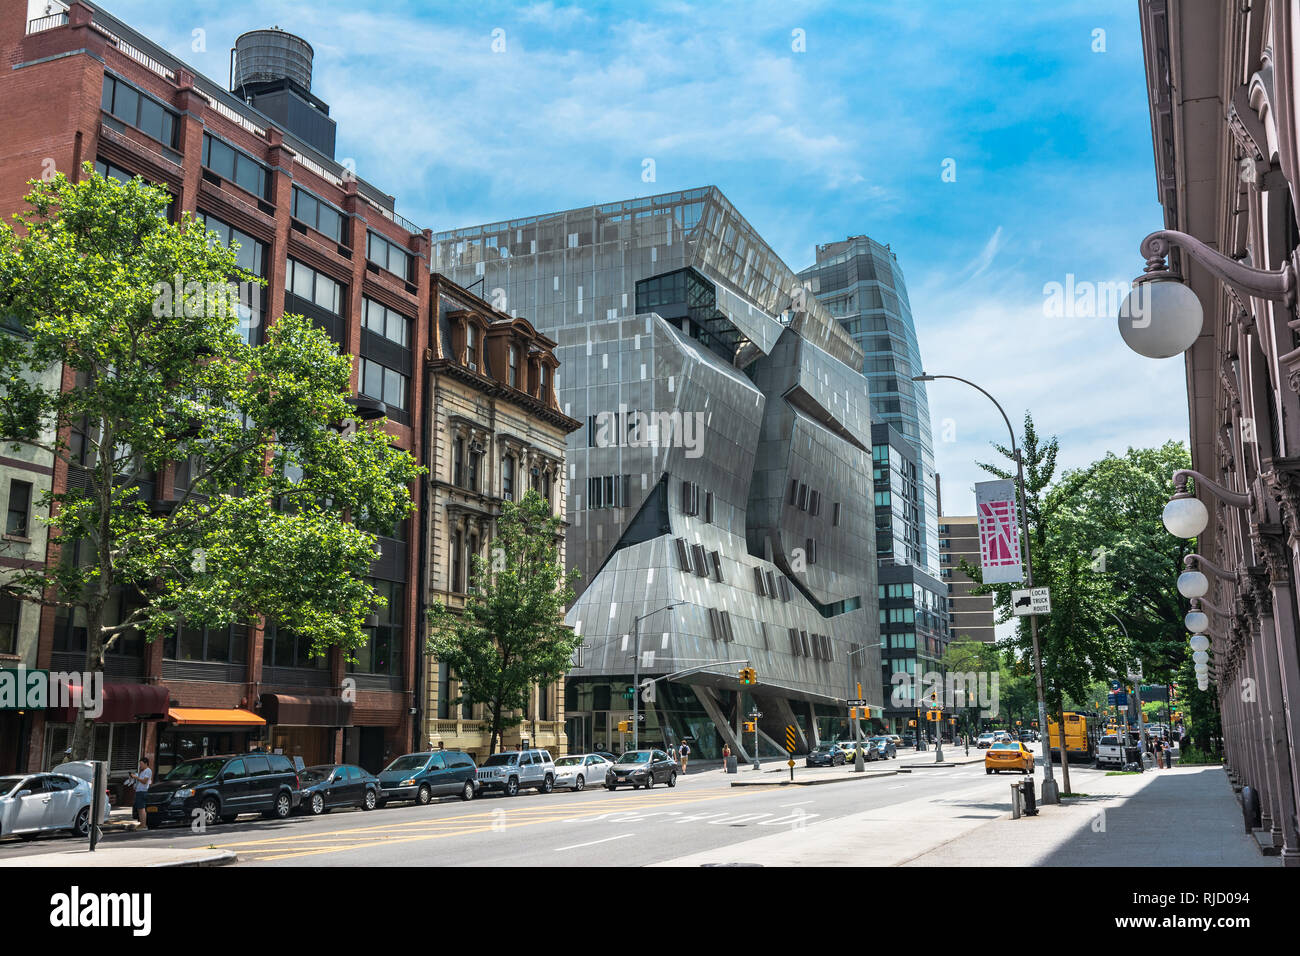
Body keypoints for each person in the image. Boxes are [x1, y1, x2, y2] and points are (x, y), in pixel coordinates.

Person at [125, 757, 152, 826]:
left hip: (142, 791)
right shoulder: (142, 771)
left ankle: (143, 824)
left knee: (142, 808)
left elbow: (144, 781)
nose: (140, 765)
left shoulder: (148, 771)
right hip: (138, 790)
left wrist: (136, 777)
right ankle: (141, 823)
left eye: (142, 764)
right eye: (140, 764)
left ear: (146, 763)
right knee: (139, 808)